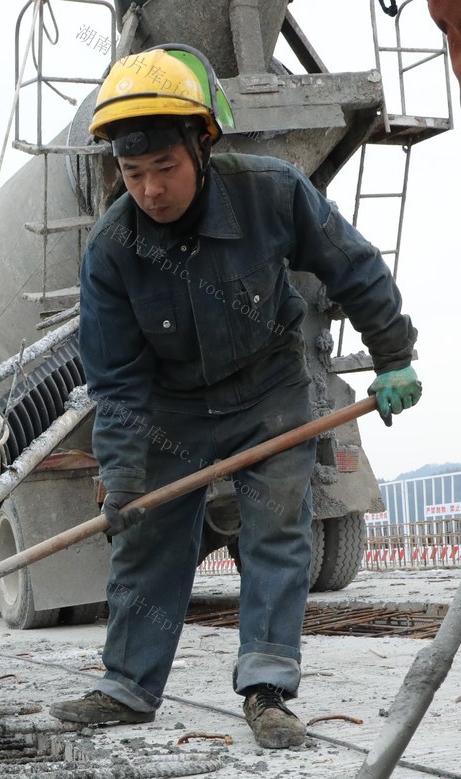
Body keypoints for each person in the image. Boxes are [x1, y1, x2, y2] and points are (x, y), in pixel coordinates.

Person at [48, 46, 422, 749]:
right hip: (172, 405)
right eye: (133, 173)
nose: (150, 190)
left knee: (278, 529)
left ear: (203, 146)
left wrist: (394, 355)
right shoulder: (111, 250)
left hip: (270, 386)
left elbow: (353, 265)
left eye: (164, 168)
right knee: (148, 535)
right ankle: (128, 684)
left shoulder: (271, 192)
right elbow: (117, 381)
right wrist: (123, 479)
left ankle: (268, 689)